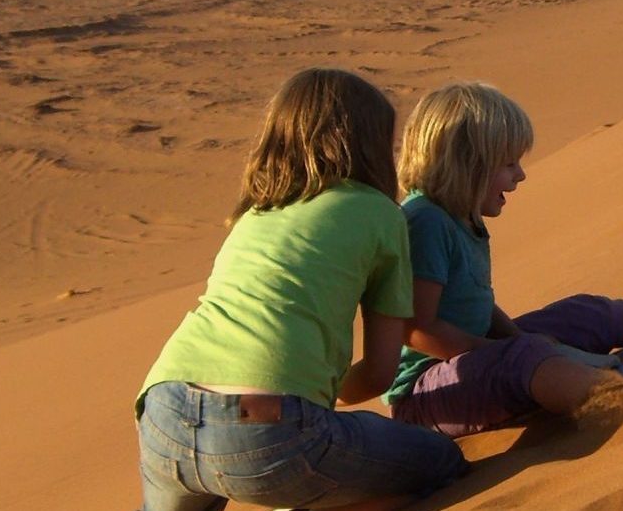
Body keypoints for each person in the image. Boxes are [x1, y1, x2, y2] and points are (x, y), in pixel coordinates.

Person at [134, 68, 467, 511]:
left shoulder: (254, 213)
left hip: (162, 409)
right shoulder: (380, 214)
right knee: (440, 460)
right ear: (368, 145)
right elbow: (381, 373)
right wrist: (321, 394)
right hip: (271, 433)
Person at [383, 82, 623, 437]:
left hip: (473, 362)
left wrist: (526, 337)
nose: (520, 175)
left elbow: (478, 303)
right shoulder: (426, 222)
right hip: (429, 395)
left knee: (584, 313)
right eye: (508, 164)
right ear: (466, 165)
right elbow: (417, 330)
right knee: (526, 356)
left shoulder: (463, 216)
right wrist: (516, 348)